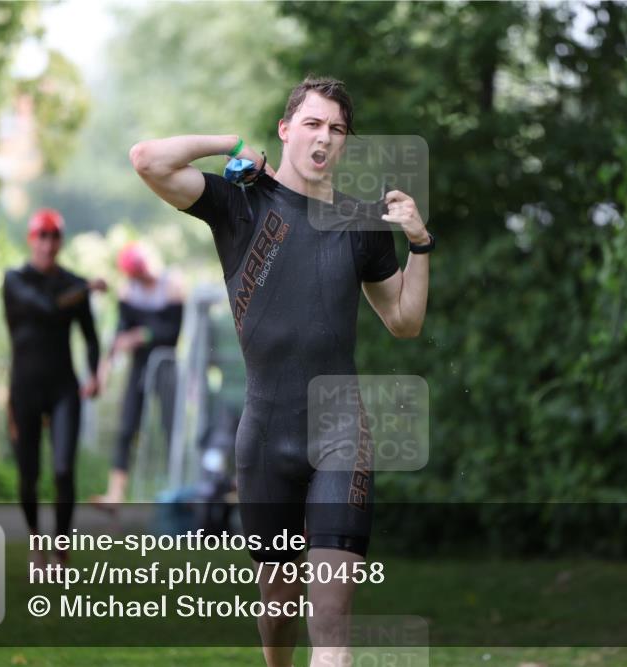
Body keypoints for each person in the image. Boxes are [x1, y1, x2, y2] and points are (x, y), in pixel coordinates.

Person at [130, 76, 433, 667]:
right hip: (265, 433)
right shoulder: (241, 203)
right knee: (277, 600)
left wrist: (420, 245)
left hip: (340, 431)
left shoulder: (360, 223)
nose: (325, 139)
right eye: (314, 124)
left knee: (332, 629)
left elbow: (404, 321)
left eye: (338, 129)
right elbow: (147, 159)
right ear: (286, 129)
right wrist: (229, 144)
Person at [2, 208, 105, 565]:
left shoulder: (72, 283)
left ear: (60, 242)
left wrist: (94, 373)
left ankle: (61, 550)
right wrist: (86, 289)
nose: (47, 244)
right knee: (28, 475)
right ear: (31, 240)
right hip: (24, 390)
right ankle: (35, 543)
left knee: (63, 469)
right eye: (41, 236)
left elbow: (91, 338)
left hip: (63, 388)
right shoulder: (15, 281)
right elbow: (44, 308)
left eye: (53, 236)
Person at [91, 243, 185, 508]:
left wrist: (140, 336)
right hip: (139, 366)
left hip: (165, 365)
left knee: (171, 428)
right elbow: (119, 334)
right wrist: (104, 369)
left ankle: (177, 489)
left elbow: (172, 333)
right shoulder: (128, 292)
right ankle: (115, 494)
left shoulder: (172, 285)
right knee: (126, 426)